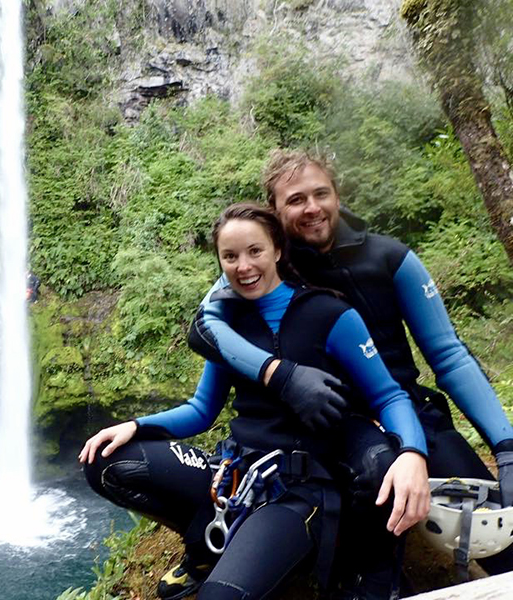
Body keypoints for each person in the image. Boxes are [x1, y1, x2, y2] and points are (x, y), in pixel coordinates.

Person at [189, 149, 513, 593]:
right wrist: (279, 375)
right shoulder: (262, 265)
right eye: (295, 199)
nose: (312, 207)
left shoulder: (389, 258)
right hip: (317, 424)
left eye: (321, 193)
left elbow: (449, 356)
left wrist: (506, 445)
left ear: (337, 194)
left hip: (402, 409)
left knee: (495, 535)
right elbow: (203, 328)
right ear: (275, 210)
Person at [80, 204, 430, 600]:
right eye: (230, 256)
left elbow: (389, 395)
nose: (243, 266)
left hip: (296, 491)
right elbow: (201, 409)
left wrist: (412, 453)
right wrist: (137, 425)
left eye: (255, 251)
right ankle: (204, 547)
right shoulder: (227, 327)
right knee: (105, 462)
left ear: (278, 250)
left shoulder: (330, 314)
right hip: (232, 472)